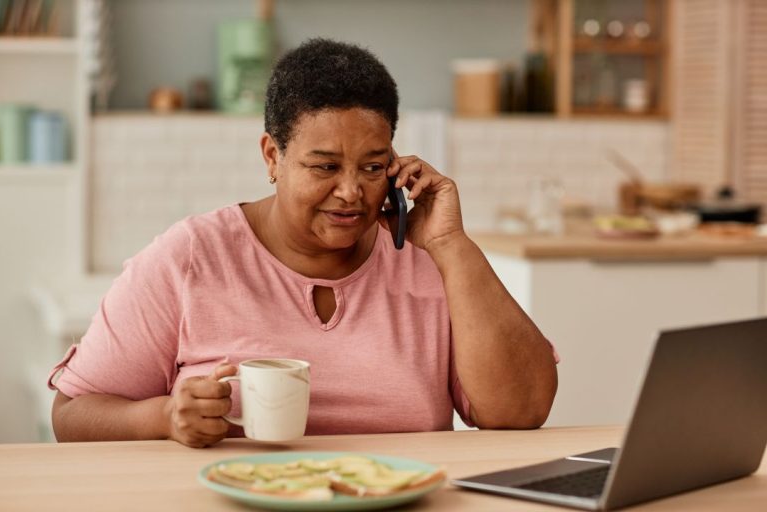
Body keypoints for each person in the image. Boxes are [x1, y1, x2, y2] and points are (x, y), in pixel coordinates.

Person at [49, 39, 558, 448]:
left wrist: (450, 245)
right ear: (273, 156)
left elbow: (523, 410)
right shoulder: (191, 257)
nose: (352, 192)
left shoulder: (427, 256)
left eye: (373, 166)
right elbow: (72, 415)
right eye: (325, 166)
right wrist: (162, 418)